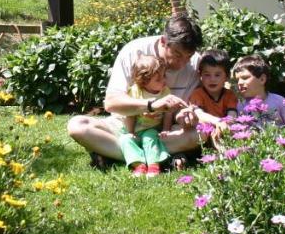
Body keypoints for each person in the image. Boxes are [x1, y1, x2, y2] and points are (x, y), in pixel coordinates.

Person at [67, 14, 204, 165]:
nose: (182, 64)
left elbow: (195, 104)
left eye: (188, 56)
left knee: (202, 133)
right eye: (177, 55)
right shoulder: (134, 51)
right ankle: (156, 155)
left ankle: (119, 153)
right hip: (126, 128)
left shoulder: (195, 62)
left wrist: (184, 115)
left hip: (166, 132)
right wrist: (150, 105)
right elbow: (111, 103)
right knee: (77, 126)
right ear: (164, 41)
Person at [118, 54, 174, 177]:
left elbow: (168, 113)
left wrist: (165, 129)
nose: (164, 80)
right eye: (158, 79)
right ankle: (139, 165)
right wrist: (130, 131)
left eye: (164, 76)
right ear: (144, 81)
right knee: (125, 140)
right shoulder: (135, 91)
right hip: (135, 129)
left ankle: (154, 166)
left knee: (150, 138)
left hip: (152, 129)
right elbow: (130, 114)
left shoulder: (165, 92)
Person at [229, 54, 285, 129]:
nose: (239, 83)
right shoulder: (240, 106)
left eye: (245, 78)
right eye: (237, 80)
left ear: (262, 79)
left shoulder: (279, 102)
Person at [189, 49, 239, 120]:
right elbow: (199, 114)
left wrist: (226, 124)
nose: (212, 79)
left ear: (227, 76)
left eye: (217, 75)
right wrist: (218, 122)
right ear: (200, 76)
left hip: (224, 128)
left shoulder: (230, 95)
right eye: (207, 75)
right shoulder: (197, 94)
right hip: (202, 129)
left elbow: (232, 114)